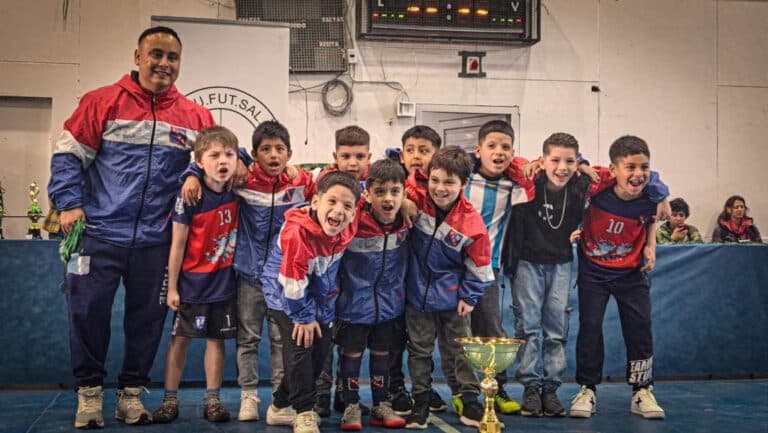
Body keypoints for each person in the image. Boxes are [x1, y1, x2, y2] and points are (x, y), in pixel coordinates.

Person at [47, 26, 215, 428]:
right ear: (138, 56)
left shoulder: (196, 117)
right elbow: (68, 156)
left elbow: (220, 155)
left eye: (172, 57)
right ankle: (89, 397)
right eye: (156, 54)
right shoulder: (101, 102)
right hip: (97, 235)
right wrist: (69, 204)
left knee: (147, 321)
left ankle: (130, 395)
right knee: (86, 314)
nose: (164, 64)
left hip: (157, 243)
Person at [180, 120, 314, 421]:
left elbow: (336, 182)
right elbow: (211, 163)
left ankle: (282, 401)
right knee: (248, 340)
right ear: (254, 155)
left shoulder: (301, 182)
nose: (273, 155)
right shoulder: (242, 180)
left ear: (290, 153)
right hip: (248, 278)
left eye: (280, 149)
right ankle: (248, 397)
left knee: (282, 343)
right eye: (265, 149)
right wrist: (190, 172)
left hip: (282, 280)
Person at [570, 135, 667, 420]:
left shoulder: (653, 195)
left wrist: (651, 244)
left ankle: (642, 390)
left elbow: (652, 217)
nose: (638, 174)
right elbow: (574, 163)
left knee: (640, 329)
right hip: (593, 273)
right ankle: (587, 388)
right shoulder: (598, 185)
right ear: (613, 170)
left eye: (644, 167)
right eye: (630, 167)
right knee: (589, 328)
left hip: (631, 273)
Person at [151, 126, 239, 423]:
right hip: (191, 284)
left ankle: (212, 400)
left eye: (228, 155)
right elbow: (177, 245)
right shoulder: (190, 194)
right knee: (181, 341)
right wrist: (173, 287)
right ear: (200, 161)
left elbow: (249, 157)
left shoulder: (238, 191)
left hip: (224, 285)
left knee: (217, 341)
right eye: (214, 155)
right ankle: (170, 400)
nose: (223, 161)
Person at [262, 171, 361, 433]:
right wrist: (304, 318)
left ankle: (279, 407)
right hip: (285, 294)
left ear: (354, 212)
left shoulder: (349, 224)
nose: (339, 211)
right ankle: (304, 411)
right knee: (300, 349)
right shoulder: (298, 234)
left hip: (318, 297)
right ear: (315, 201)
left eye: (347, 206)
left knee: (320, 353)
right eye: (332, 201)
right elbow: (292, 284)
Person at [404, 146, 494, 429]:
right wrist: (406, 200)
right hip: (416, 295)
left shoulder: (471, 223)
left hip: (454, 299)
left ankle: (469, 400)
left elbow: (480, 265)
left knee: (460, 351)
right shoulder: (414, 199)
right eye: (435, 180)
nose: (440, 189)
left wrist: (469, 296)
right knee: (419, 351)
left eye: (449, 183)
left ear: (464, 185)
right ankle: (420, 400)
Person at [458, 120, 534, 416]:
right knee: (456, 334)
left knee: (490, 330)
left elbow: (549, 174)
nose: (498, 152)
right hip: (449, 272)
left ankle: (496, 387)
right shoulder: (461, 181)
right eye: (491, 146)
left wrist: (525, 168)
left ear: (513, 153)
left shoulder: (514, 187)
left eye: (505, 147)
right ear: (478, 150)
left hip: (486, 273)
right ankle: (464, 393)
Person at [335, 159, 410, 430]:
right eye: (379, 192)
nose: (388, 199)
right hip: (353, 305)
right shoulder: (352, 221)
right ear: (366, 194)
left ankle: (381, 404)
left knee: (382, 354)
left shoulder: (407, 222)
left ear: (405, 194)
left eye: (394, 191)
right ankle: (351, 405)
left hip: (390, 306)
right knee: (351, 353)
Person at [312, 125, 372, 417]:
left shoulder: (374, 188)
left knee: (350, 341)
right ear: (334, 156)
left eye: (359, 156)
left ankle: (346, 395)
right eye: (346, 155)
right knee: (323, 338)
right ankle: (320, 394)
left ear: (368, 158)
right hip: (324, 274)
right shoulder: (321, 184)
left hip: (356, 278)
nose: (353, 163)